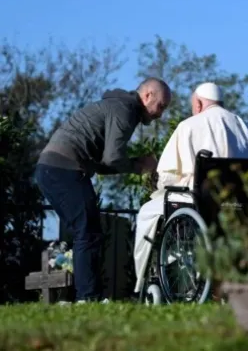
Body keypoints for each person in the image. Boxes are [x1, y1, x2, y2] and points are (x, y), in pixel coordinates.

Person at [34, 78, 172, 303]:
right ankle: (87, 298)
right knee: (87, 231)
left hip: (53, 169)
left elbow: (103, 165)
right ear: (147, 96)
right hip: (62, 168)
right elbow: (113, 158)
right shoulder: (125, 110)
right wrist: (140, 165)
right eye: (161, 106)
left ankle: (87, 295)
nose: (160, 114)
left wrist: (137, 164)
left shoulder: (118, 107)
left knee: (87, 231)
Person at [133, 82, 248, 294]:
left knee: (147, 213)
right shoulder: (246, 128)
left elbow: (166, 176)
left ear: (199, 103)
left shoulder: (189, 126)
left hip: (199, 203)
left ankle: (141, 284)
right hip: (240, 204)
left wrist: (158, 185)